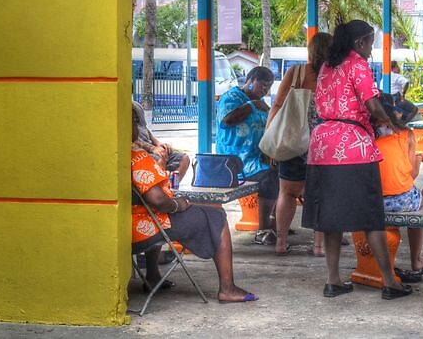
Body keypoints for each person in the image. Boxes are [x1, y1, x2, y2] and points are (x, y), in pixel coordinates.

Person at [303, 20, 413, 300]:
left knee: (331, 218)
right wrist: (394, 123)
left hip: (322, 145)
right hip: (353, 146)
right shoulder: (358, 64)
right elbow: (372, 104)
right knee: (371, 215)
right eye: (370, 42)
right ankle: (390, 282)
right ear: (359, 43)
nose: (371, 49)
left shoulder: (327, 65)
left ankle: (333, 281)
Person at [130, 113, 257, 303]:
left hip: (128, 223)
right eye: (134, 122)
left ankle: (153, 276)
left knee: (177, 209)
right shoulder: (136, 157)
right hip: (143, 228)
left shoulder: (114, 154)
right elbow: (157, 200)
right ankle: (227, 288)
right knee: (216, 214)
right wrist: (176, 206)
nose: (136, 127)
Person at [266, 32, 332, 256]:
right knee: (321, 195)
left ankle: (281, 242)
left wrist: (270, 137)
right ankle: (318, 246)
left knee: (286, 193)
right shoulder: (333, 76)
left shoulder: (296, 73)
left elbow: (276, 106)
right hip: (324, 143)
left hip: (293, 141)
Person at [216, 66, 278, 245]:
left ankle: (276, 221)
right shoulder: (232, 97)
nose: (265, 90)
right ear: (251, 80)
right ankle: (263, 229)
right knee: (270, 177)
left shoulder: (261, 104)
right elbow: (226, 120)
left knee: (285, 171)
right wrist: (251, 107)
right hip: (235, 160)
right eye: (263, 85)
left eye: (268, 87)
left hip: (256, 157)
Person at [375, 112, 423, 282]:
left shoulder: (368, 134)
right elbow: (412, 174)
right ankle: (416, 260)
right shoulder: (407, 135)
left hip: (373, 201)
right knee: (418, 201)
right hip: (402, 201)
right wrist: (419, 158)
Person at [132, 101, 191, 183]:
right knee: (160, 160)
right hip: (139, 152)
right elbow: (132, 140)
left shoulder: (137, 106)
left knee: (184, 158)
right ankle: (161, 188)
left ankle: (171, 186)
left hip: (151, 147)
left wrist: (159, 144)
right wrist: (152, 148)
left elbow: (146, 130)